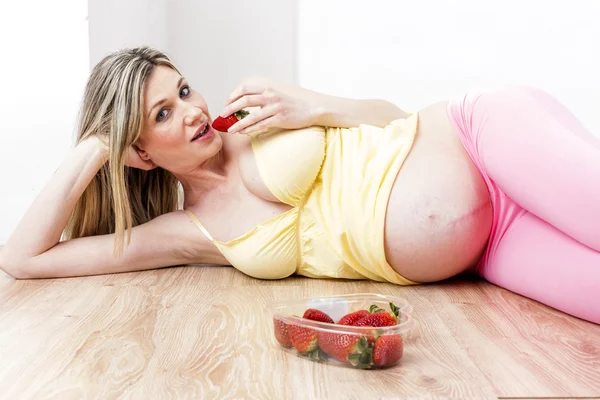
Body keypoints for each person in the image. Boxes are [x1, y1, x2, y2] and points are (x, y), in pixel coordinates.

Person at [0, 47, 598, 325]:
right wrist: (93, 151)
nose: (190, 110)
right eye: (161, 115)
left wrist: (311, 104)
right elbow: (22, 259)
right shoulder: (190, 233)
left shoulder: (249, 111)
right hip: (490, 247)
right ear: (139, 154)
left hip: (481, 136)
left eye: (182, 90)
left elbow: (394, 116)